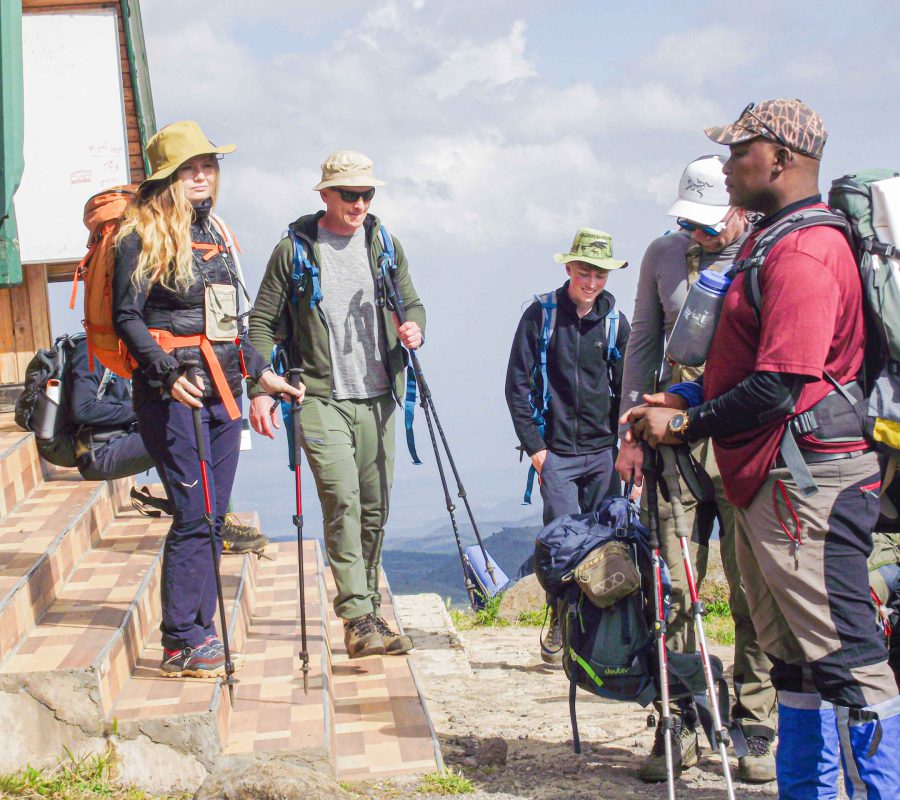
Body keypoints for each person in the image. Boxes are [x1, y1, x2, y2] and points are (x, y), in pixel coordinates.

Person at [625, 99, 900, 797]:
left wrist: (685, 426)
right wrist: (682, 398)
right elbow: (750, 369)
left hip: (808, 484)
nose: (726, 163)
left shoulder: (807, 250)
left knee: (847, 657)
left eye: (739, 148)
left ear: (780, 159)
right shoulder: (768, 240)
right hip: (772, 479)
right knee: (795, 663)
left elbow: (781, 384)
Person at [112, 120, 301, 679]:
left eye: (208, 166)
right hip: (175, 397)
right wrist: (167, 373)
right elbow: (127, 317)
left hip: (223, 392)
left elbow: (228, 322)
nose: (202, 175)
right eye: (189, 168)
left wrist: (261, 373)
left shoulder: (214, 233)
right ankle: (180, 641)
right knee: (194, 517)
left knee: (214, 519)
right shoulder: (140, 235)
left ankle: (199, 631)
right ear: (168, 178)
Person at [615, 156, 776, 783]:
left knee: (751, 586)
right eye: (689, 223)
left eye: (709, 225)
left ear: (738, 208)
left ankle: (756, 722)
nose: (699, 235)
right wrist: (628, 433)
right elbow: (643, 345)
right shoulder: (662, 255)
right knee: (675, 585)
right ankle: (680, 714)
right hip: (670, 432)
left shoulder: (765, 250)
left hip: (741, 433)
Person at [247, 150, 424, 660]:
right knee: (342, 499)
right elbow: (260, 324)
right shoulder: (294, 251)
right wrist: (260, 388)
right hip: (319, 397)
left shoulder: (385, 245)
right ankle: (357, 611)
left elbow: (411, 302)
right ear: (325, 194)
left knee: (375, 507)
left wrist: (414, 327)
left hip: (378, 397)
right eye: (349, 194)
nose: (360, 203)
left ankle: (365, 613)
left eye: (367, 194)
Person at [505, 228, 630, 663]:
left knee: (604, 544)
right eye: (584, 271)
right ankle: (559, 618)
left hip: (603, 454)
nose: (591, 281)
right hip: (556, 452)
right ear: (568, 268)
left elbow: (629, 389)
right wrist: (536, 447)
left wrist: (627, 448)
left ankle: (595, 634)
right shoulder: (541, 316)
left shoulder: (615, 323)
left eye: (599, 273)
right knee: (560, 544)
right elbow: (516, 386)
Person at [69, 334, 268, 556]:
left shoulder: (134, 346)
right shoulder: (90, 349)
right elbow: (82, 409)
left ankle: (214, 516)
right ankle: (212, 524)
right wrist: (142, 408)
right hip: (98, 452)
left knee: (208, 429)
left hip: (122, 437)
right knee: (180, 435)